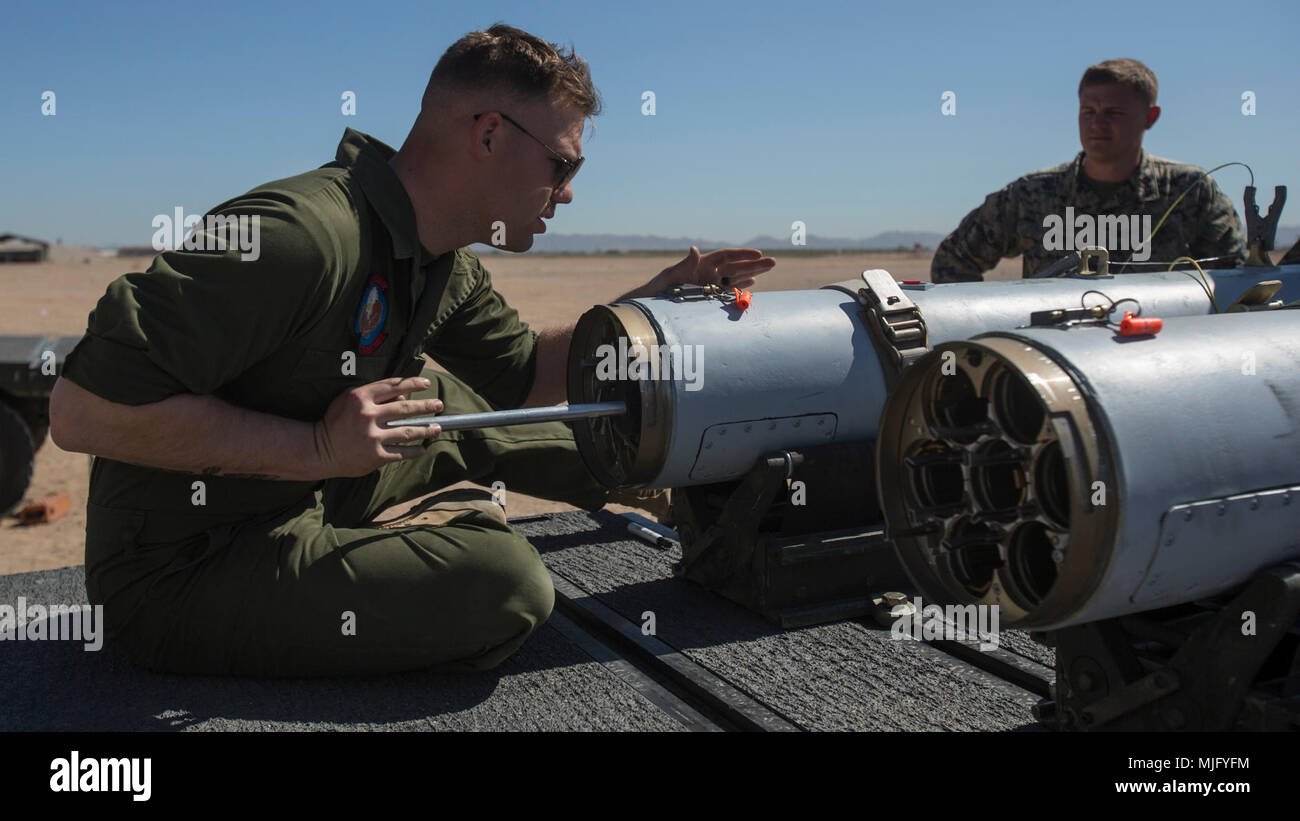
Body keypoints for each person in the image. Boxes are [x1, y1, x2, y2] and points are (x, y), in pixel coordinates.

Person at [48, 24, 773, 677]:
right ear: (488, 134)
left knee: (447, 402)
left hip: (311, 488)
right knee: (508, 585)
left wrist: (652, 302)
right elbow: (80, 412)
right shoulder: (302, 238)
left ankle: (662, 482)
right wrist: (315, 449)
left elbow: (525, 375)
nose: (568, 193)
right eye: (561, 165)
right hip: (182, 569)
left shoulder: (438, 257)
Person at [930, 58, 1244, 282]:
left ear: (1150, 117)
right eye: (1088, 112)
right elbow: (953, 262)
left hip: (1159, 361)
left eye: (1113, 113)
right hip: (1052, 368)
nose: (1097, 124)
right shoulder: (1031, 195)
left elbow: (1233, 281)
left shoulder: (1190, 192)